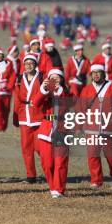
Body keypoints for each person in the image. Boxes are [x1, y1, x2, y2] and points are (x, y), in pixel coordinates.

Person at [78, 64, 112, 187]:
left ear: (104, 73)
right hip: (92, 129)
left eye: (98, 72)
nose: (96, 75)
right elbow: (81, 108)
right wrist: (79, 126)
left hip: (109, 129)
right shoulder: (86, 89)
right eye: (93, 73)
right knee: (93, 155)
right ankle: (96, 181)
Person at [32, 69, 72, 198]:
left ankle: (58, 190)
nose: (54, 80)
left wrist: (58, 91)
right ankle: (53, 187)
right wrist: (43, 90)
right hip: (46, 130)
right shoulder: (45, 93)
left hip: (62, 130)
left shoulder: (67, 93)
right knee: (47, 163)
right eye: (52, 78)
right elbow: (36, 103)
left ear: (62, 79)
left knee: (61, 162)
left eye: (57, 78)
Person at [13, 54, 44, 183]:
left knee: (41, 148)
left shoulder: (42, 78)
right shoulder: (19, 79)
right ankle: (31, 176)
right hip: (24, 117)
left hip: (39, 117)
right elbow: (17, 99)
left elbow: (51, 98)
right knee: (26, 148)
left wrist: (52, 117)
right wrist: (15, 115)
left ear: (36, 65)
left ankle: (49, 172)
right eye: (26, 63)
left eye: (32, 63)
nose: (29, 65)